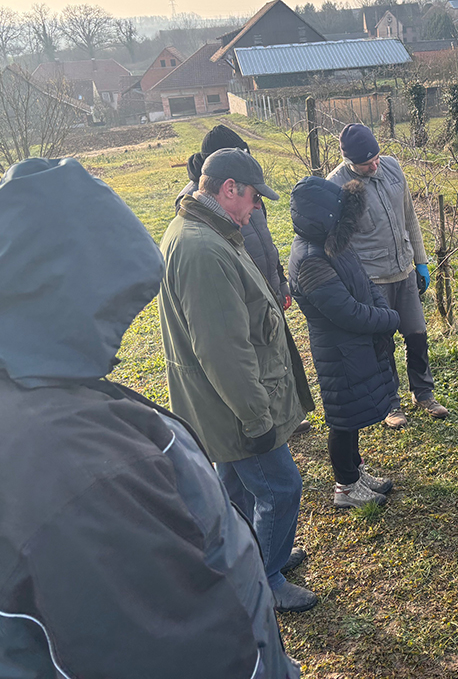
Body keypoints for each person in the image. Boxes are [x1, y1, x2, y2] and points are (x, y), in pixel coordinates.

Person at [0, 157, 300, 678]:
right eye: (112, 307)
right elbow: (183, 648)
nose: (117, 341)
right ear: (64, 289)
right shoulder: (83, 469)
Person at [159, 148, 317, 613]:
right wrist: (256, 419)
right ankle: (265, 579)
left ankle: (245, 560)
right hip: (233, 406)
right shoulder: (204, 249)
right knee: (281, 487)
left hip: (219, 403)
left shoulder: (208, 232)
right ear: (229, 189)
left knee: (234, 489)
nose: (256, 207)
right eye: (253, 197)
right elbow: (222, 351)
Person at [288, 176, 401, 508]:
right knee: (342, 420)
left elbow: (364, 282)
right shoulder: (310, 259)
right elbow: (347, 312)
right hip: (339, 353)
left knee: (352, 417)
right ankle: (346, 487)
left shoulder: (332, 242)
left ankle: (356, 471)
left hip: (355, 347)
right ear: (324, 217)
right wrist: (389, 319)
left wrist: (383, 309)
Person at [327, 124, 447, 429]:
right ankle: (390, 402)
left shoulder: (392, 168)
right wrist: (351, 282)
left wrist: (420, 261)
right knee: (382, 343)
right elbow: (337, 242)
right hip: (372, 279)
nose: (375, 165)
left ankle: (423, 392)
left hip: (404, 270)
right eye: (367, 163)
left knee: (417, 334)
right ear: (349, 161)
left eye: (376, 158)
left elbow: (409, 217)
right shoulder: (336, 185)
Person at [179, 123, 291, 309]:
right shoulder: (196, 204)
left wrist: (279, 280)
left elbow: (264, 240)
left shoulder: (248, 189)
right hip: (246, 304)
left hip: (268, 294)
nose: (257, 204)